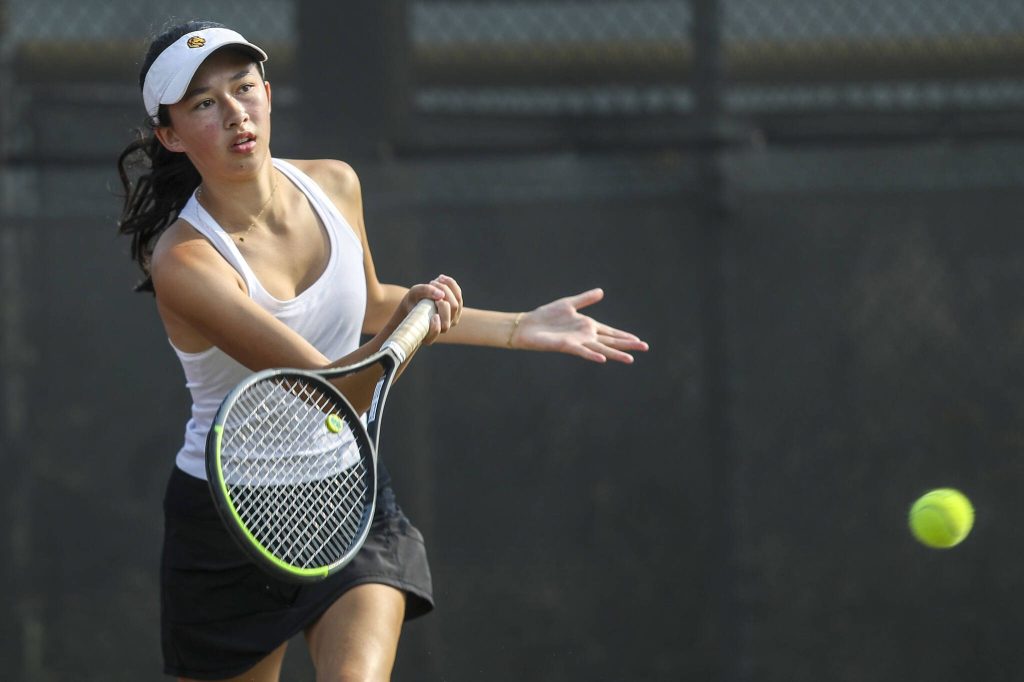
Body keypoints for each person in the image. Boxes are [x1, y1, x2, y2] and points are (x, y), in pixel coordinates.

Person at [117, 20, 648, 682]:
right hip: (228, 526)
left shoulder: (335, 184)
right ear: (169, 135)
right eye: (203, 103)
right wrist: (414, 328)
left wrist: (516, 326)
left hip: (348, 494)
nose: (234, 113)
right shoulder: (186, 263)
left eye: (244, 88)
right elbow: (337, 393)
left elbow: (370, 303)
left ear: (269, 93)